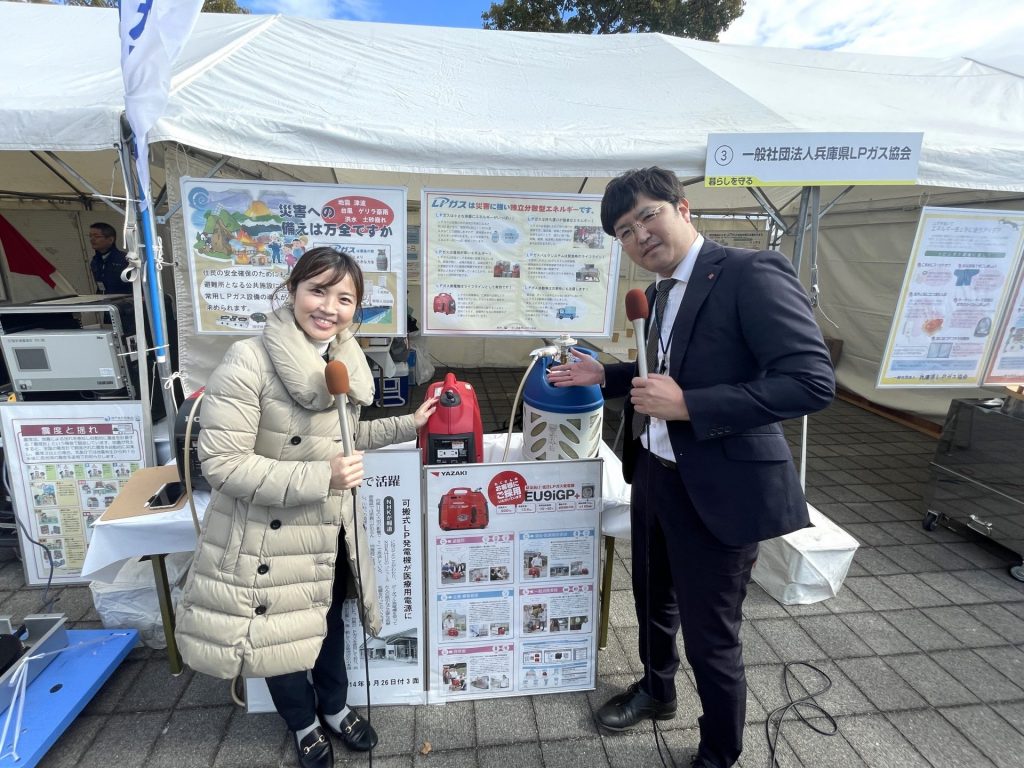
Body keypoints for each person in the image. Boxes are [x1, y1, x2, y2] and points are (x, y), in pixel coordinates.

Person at [548, 168, 835, 768]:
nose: (640, 236)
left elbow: (810, 382)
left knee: (712, 632)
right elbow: (664, 372)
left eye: (648, 216)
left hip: (721, 486)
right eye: (625, 232)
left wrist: (691, 406)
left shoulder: (750, 273)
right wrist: (608, 375)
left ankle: (719, 749)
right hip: (655, 473)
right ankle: (657, 690)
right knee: (652, 597)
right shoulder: (655, 296)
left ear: (683, 207)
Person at [175, 247, 438, 768]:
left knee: (327, 624)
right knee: (278, 636)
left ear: (356, 311)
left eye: (345, 298)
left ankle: (336, 708)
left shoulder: (343, 358)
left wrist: (410, 424)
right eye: (318, 290)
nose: (329, 307)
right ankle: (303, 723)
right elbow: (222, 464)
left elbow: (344, 435)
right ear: (292, 290)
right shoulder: (248, 359)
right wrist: (323, 476)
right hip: (268, 535)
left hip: (328, 530)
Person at [88, 222, 131, 294]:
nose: (92, 239)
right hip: (105, 301)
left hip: (125, 301)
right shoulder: (95, 261)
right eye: (90, 236)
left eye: (97, 236)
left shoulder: (125, 260)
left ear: (110, 240)